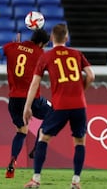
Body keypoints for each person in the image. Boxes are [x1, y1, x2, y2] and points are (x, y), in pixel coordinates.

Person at [23, 24, 95, 189]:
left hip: (60, 105)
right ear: (66, 38)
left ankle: (36, 180)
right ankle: (76, 182)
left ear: (52, 39)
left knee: (44, 136)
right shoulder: (76, 54)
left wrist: (27, 106)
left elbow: (35, 84)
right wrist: (80, 91)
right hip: (79, 105)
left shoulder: (46, 57)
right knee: (79, 141)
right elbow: (91, 75)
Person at [0, 29, 52, 179]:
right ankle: (38, 146)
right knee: (53, 112)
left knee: (22, 131)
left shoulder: (11, 46)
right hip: (32, 99)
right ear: (41, 43)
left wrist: (13, 50)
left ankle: (12, 161)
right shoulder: (41, 54)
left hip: (14, 100)